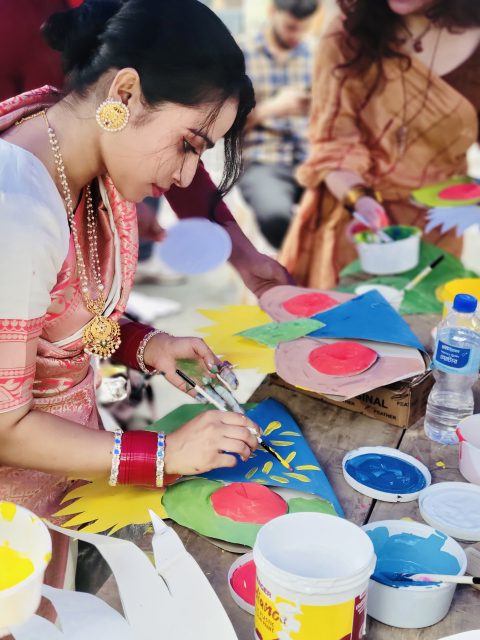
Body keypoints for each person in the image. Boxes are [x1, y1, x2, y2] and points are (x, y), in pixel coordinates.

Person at [0, 0, 271, 593]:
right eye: (190, 144)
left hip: (57, 490)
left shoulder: (78, 165)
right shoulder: (15, 211)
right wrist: (163, 452)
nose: (185, 177)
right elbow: (5, 426)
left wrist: (149, 346)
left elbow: (54, 314)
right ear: (123, 93)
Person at [280, 0, 480, 288]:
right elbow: (332, 142)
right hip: (353, 221)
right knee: (345, 314)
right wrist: (361, 202)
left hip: (438, 225)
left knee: (425, 312)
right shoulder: (348, 34)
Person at [237, 0, 319, 250]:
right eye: (290, 27)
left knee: (345, 209)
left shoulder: (315, 53)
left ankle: (312, 264)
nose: (297, 36)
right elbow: (219, 128)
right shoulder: (240, 53)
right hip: (262, 159)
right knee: (275, 218)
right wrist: (270, 109)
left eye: (304, 29)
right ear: (273, 12)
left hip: (311, 157)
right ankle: (301, 265)